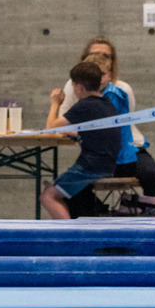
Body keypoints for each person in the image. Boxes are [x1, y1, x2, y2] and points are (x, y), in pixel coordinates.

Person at [59, 35, 155, 204]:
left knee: (154, 175)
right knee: (71, 188)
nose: (98, 60)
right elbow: (62, 119)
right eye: (93, 55)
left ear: (110, 68)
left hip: (128, 148)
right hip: (96, 151)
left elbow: (122, 128)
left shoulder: (121, 90)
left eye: (105, 56)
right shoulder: (73, 86)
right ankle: (101, 218)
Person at [40, 61, 120, 220]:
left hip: (91, 167)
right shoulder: (107, 104)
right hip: (107, 164)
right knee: (62, 192)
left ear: (79, 87)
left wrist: (55, 103)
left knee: (48, 196)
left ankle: (69, 236)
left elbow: (51, 127)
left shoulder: (85, 105)